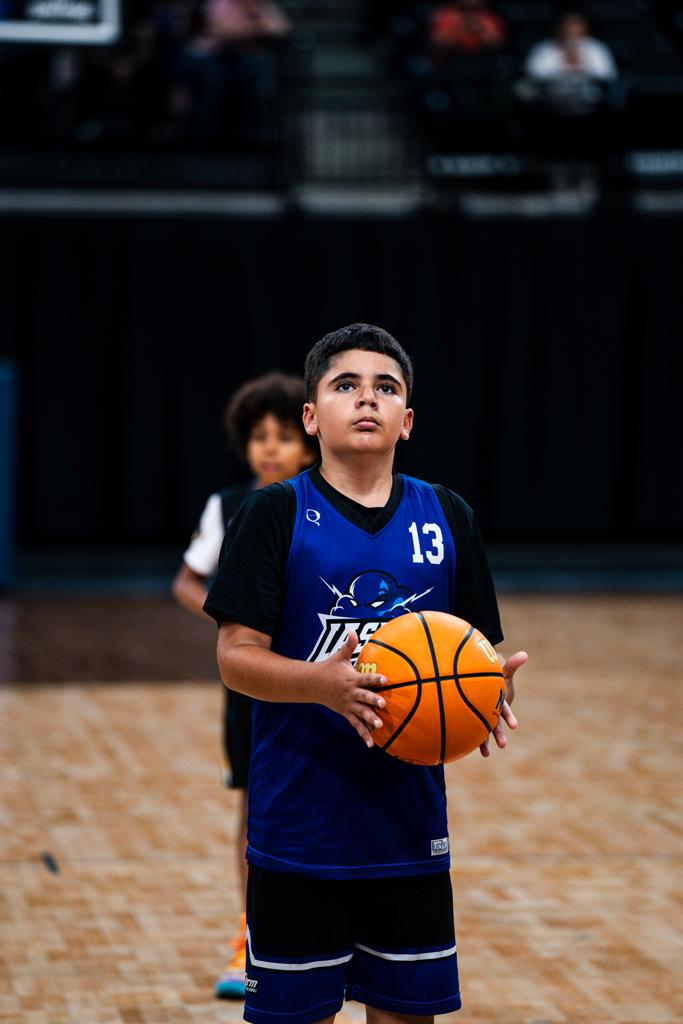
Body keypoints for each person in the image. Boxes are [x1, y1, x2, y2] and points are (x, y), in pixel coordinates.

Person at [204, 323, 527, 1024]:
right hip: (298, 832)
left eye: (386, 387)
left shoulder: (448, 516)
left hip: (408, 833)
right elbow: (235, 657)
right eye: (345, 384)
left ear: (406, 420)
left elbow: (473, 656)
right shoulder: (273, 513)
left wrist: (488, 694)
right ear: (310, 417)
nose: (367, 398)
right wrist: (322, 685)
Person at [172, 371, 317, 999]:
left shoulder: (327, 506)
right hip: (252, 688)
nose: (270, 447)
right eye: (259, 436)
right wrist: (238, 621)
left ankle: (331, 938)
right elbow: (186, 580)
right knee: (257, 805)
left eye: (283, 436)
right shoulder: (228, 505)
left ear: (308, 442)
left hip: (323, 677)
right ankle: (251, 935)